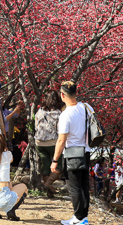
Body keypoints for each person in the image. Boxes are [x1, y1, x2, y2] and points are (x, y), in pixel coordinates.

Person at [51, 81, 94, 225]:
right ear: (75, 93)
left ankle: (78, 218)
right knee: (84, 186)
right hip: (86, 152)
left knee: (74, 187)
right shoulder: (86, 107)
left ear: (62, 95)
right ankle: (84, 218)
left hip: (72, 153)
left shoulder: (65, 115)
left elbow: (61, 140)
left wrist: (55, 160)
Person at [35, 90, 63, 197]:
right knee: (58, 166)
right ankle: (48, 184)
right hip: (53, 143)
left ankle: (49, 192)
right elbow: (60, 130)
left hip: (40, 143)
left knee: (46, 167)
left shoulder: (39, 111)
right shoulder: (59, 114)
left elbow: (36, 126)